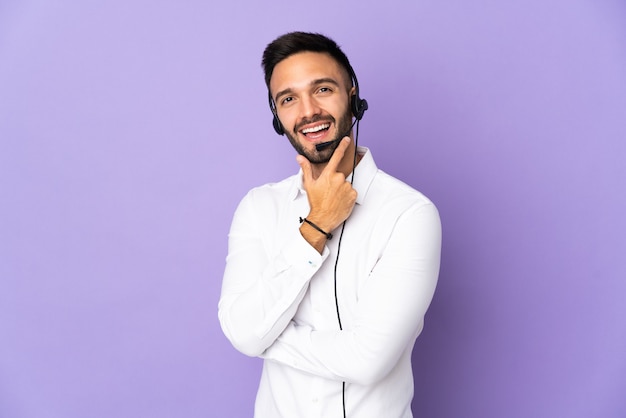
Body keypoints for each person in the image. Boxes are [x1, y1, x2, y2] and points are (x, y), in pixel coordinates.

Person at [218, 31, 441, 418]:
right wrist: (317, 225)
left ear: (353, 95)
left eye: (322, 89)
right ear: (277, 116)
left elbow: (367, 361)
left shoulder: (409, 213)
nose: (308, 111)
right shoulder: (258, 208)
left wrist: (262, 336)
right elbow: (241, 332)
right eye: (288, 99)